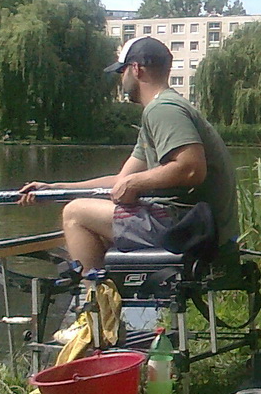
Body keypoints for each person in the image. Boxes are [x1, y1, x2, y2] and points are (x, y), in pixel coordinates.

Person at [19, 36, 238, 272]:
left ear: (136, 69)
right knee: (93, 224)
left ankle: (94, 293)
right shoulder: (163, 109)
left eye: (121, 72)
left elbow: (191, 168)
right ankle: (107, 290)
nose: (121, 80)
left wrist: (135, 183)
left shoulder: (162, 109)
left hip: (190, 227)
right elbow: (120, 180)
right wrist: (55, 188)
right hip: (193, 223)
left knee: (75, 213)